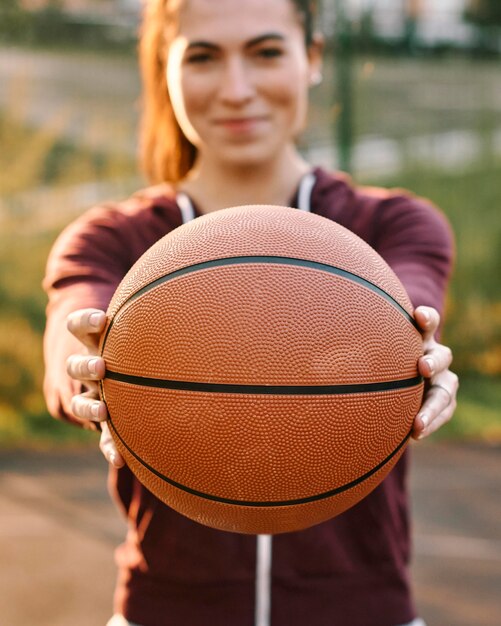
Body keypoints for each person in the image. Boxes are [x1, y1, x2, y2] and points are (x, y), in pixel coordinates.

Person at [43, 0, 458, 624]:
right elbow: (71, 331)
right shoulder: (111, 241)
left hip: (363, 608)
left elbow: (411, 308)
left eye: (266, 52)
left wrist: (413, 359)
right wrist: (85, 369)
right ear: (166, 67)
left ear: (312, 58)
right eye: (205, 57)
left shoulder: (393, 226)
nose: (237, 90)